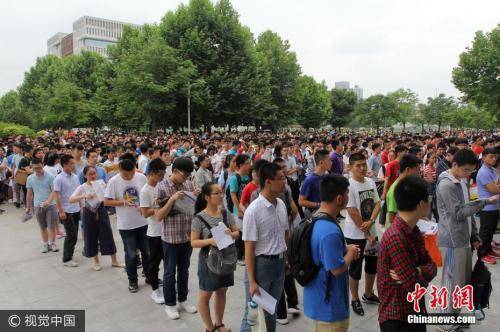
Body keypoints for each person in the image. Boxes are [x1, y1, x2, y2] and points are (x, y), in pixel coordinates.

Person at [436, 149, 499, 332]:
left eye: (471, 171)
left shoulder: (461, 180)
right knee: (450, 283)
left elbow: (467, 209)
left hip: (463, 239)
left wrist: (474, 235)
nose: (468, 174)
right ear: (454, 164)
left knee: (461, 282)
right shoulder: (446, 185)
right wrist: (484, 202)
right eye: (465, 170)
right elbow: (459, 212)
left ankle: (453, 316)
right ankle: (444, 323)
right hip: (452, 242)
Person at [377, 176, 437, 332]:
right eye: (428, 199)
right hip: (398, 317)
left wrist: (416, 270)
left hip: (413, 310)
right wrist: (417, 273)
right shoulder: (397, 237)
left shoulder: (413, 229)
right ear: (421, 204)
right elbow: (415, 286)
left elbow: (432, 265)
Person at [303, 174, 361, 332]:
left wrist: (345, 250)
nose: (349, 197)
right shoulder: (330, 231)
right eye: (347, 193)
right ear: (339, 199)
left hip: (316, 300)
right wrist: (351, 252)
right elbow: (337, 269)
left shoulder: (315, 219)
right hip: (329, 309)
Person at [241, 163, 290, 332]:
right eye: (281, 178)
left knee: (271, 311)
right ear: (268, 181)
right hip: (261, 266)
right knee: (253, 314)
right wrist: (252, 280)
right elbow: (249, 247)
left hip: (279, 265)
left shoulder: (281, 204)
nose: (284, 182)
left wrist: (286, 258)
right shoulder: (253, 211)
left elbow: (285, 234)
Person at [191, 182, 239, 332]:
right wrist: (211, 241)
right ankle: (209, 327)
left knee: (222, 291)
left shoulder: (225, 213)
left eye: (221, 192)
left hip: (226, 259)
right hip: (209, 261)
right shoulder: (199, 218)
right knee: (205, 294)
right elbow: (193, 242)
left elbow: (237, 232)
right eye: (216, 193)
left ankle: (219, 323)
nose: (220, 196)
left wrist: (231, 235)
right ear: (207, 197)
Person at [154, 157, 198, 320]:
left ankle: (183, 299)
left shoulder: (188, 185)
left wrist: (195, 197)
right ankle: (170, 304)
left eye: (189, 175)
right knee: (169, 272)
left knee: (184, 271)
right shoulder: (162, 187)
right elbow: (158, 216)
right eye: (184, 175)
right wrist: (172, 200)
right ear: (174, 171)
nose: (186, 178)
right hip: (170, 238)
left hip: (186, 236)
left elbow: (193, 209)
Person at [104, 154, 150, 293]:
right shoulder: (113, 181)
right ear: (120, 170)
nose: (130, 177)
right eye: (126, 175)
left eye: (132, 174)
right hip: (126, 225)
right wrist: (123, 202)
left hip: (143, 222)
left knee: (147, 252)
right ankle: (133, 280)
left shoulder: (141, 177)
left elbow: (147, 193)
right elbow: (106, 201)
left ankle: (150, 276)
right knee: (130, 254)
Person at [344, 152, 381, 316]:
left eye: (363, 164)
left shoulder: (371, 182)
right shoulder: (349, 186)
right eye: (357, 165)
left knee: (372, 265)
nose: (361, 168)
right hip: (355, 235)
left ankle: (368, 293)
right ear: (350, 167)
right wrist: (366, 234)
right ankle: (354, 298)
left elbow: (378, 203)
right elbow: (352, 211)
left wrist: (372, 221)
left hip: (372, 232)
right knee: (355, 269)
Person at [69, 165, 121, 271]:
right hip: (88, 212)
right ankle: (96, 261)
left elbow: (109, 195)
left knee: (107, 234)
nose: (93, 176)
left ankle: (114, 260)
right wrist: (84, 196)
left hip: (101, 210)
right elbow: (71, 199)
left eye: (94, 173)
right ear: (85, 175)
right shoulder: (82, 187)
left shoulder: (101, 183)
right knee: (90, 236)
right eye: (90, 174)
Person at [140, 158, 167, 304]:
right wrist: (161, 206)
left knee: (168, 262)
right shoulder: (145, 191)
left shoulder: (161, 186)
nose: (163, 177)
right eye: (160, 174)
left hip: (166, 231)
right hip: (154, 232)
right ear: (151, 173)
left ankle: (168, 287)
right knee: (154, 263)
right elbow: (145, 213)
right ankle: (155, 290)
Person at [53, 154, 81, 267]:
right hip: (66, 210)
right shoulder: (59, 178)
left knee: (75, 233)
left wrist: (81, 206)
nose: (73, 165)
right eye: (71, 163)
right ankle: (66, 258)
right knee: (71, 234)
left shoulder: (75, 176)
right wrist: (61, 211)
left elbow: (78, 192)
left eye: (73, 163)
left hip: (76, 209)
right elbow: (56, 196)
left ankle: (70, 253)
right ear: (64, 165)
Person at [25, 158, 58, 253]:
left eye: (39, 167)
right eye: (35, 168)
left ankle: (52, 243)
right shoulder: (30, 178)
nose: (38, 170)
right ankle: (45, 244)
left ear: (42, 165)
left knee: (51, 226)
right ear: (32, 168)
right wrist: (28, 206)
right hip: (37, 205)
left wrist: (48, 201)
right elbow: (29, 194)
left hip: (50, 205)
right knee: (42, 226)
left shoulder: (50, 177)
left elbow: (54, 191)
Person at [476, 148, 500, 264]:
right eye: (491, 157)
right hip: (487, 207)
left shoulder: (492, 170)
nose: (494, 159)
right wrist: (497, 187)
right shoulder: (484, 172)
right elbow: (494, 189)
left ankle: (489, 250)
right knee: (485, 232)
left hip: (494, 205)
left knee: (491, 230)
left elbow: (496, 186)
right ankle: (482, 254)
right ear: (484, 157)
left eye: (495, 156)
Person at [385, 154, 422, 227]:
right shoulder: (395, 190)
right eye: (417, 170)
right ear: (408, 170)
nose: (419, 174)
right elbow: (392, 218)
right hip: (398, 233)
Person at [228, 154, 251, 263]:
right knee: (240, 232)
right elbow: (233, 195)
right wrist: (239, 210)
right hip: (239, 210)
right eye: (247, 163)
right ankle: (238, 255)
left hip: (248, 207)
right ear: (240, 165)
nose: (249, 166)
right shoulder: (235, 178)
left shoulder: (249, 177)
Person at [299, 149, 332, 217]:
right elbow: (301, 201)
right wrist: (318, 205)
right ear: (321, 163)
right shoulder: (309, 180)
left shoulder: (326, 176)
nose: (331, 162)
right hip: (313, 214)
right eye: (329, 160)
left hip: (325, 212)